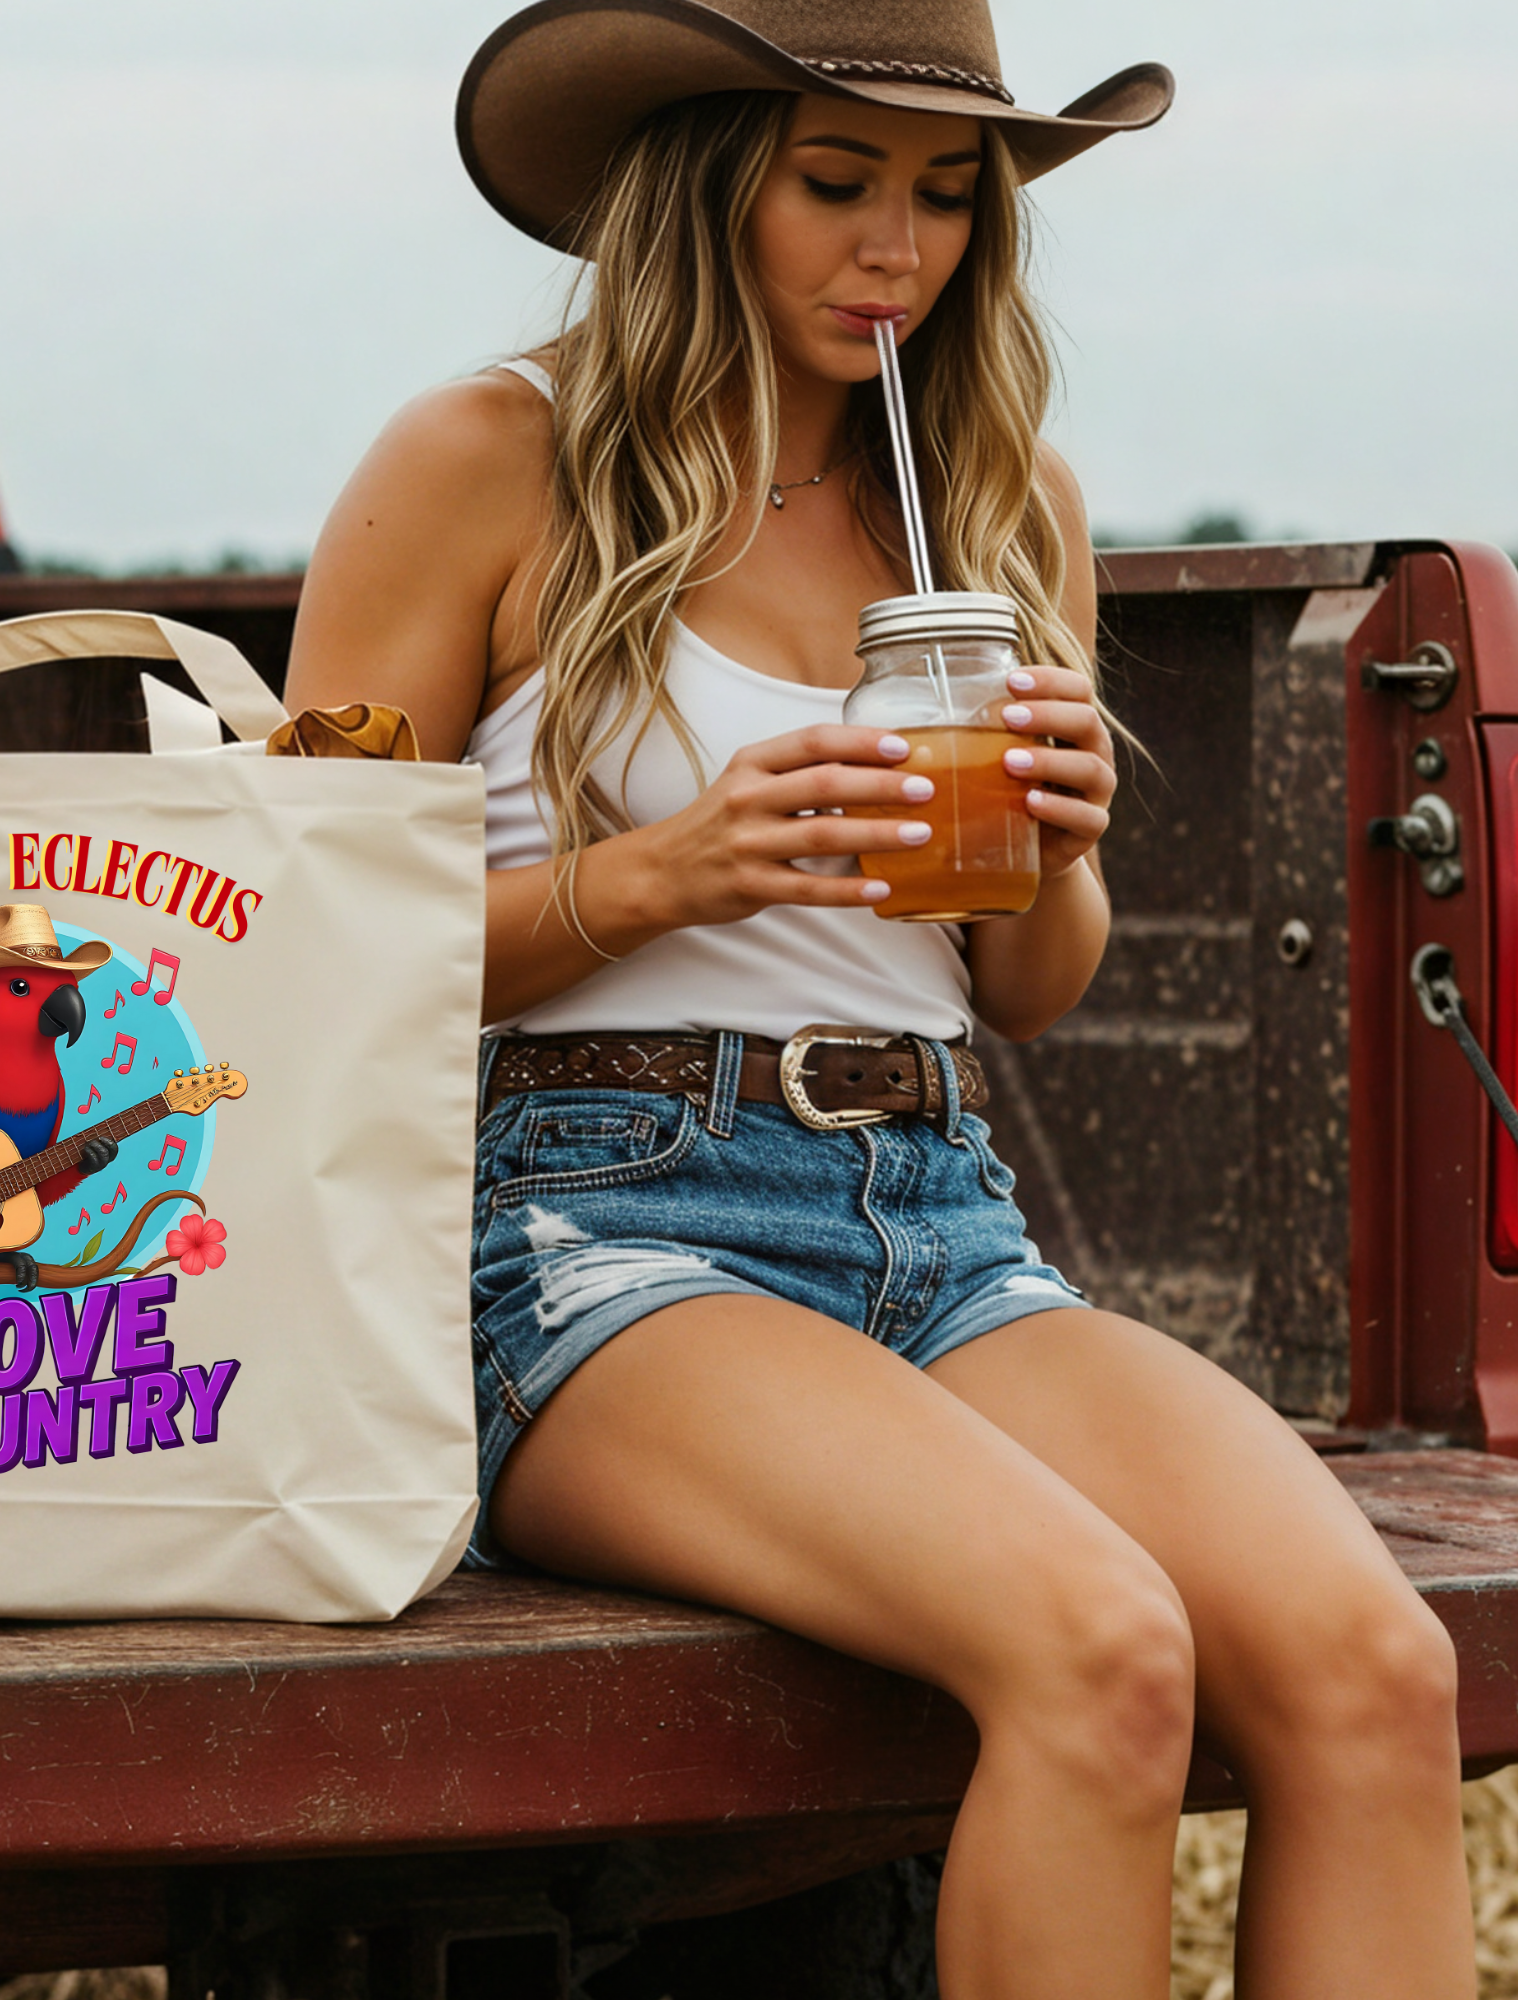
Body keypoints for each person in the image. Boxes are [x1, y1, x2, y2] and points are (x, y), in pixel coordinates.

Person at [283, 1, 1476, 1991]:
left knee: (1370, 1668)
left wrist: (1063, 844)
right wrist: (655, 874)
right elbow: (293, 946)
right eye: (836, 184)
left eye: (944, 196)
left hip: (932, 1211)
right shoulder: (489, 456)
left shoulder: (1003, 492)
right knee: (1098, 1650)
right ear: (702, 181)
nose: (894, 250)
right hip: (583, 1219)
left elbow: (1019, 988)